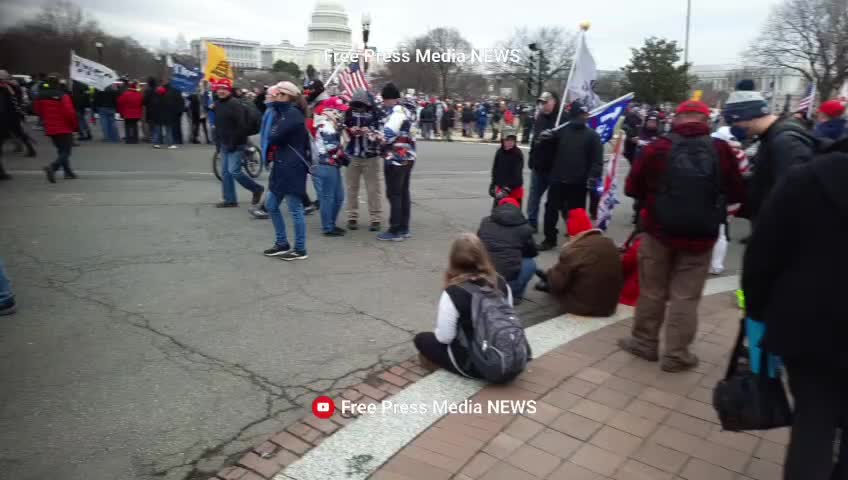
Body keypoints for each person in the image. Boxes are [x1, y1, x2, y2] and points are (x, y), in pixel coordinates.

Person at [741, 135, 848, 480]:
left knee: (813, 422)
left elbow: (763, 255)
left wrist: (756, 312)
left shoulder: (805, 180)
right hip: (811, 325)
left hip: (810, 325)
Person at [618, 100, 745, 372]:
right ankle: (676, 354)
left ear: (677, 119)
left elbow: (631, 187)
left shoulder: (658, 147)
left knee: (652, 290)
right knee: (686, 296)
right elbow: (737, 191)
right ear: (705, 120)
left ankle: (645, 342)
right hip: (701, 236)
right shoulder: (721, 150)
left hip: (658, 232)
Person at [413, 233, 515, 377]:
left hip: (476, 364)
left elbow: (445, 338)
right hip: (508, 356)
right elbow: (509, 316)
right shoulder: (501, 283)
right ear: (483, 256)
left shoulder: (454, 292)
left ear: (453, 260)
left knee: (421, 339)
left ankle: (444, 367)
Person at [723, 79, 816, 222]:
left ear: (747, 116)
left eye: (732, 121)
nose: (731, 127)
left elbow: (796, 194)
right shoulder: (772, 136)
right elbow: (767, 178)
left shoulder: (786, 141)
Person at [536, 101, 603, 251]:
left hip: (578, 182)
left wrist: (593, 176)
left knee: (577, 213)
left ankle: (578, 241)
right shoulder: (561, 131)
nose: (583, 117)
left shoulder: (592, 136)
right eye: (580, 114)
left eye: (584, 115)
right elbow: (548, 151)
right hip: (558, 178)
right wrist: (543, 140)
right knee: (551, 210)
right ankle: (549, 239)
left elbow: (597, 160)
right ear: (573, 115)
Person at [535, 208, 623, 316]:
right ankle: (549, 274)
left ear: (572, 235)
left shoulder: (574, 251)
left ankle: (549, 276)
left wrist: (551, 280)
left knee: (556, 284)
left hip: (585, 308)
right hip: (609, 306)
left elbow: (557, 284)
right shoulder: (609, 243)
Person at [260, 81, 310, 261]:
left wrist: (274, 130)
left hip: (292, 167)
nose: (275, 97)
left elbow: (273, 136)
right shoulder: (282, 113)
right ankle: (282, 243)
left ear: (287, 96)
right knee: (272, 205)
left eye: (279, 94)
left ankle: (300, 248)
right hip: (281, 165)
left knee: (295, 209)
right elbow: (272, 134)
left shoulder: (292, 114)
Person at [212, 78, 265, 208]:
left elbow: (241, 126)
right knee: (225, 173)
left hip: (237, 143)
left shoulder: (235, 104)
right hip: (224, 143)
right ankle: (230, 200)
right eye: (219, 89)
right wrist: (218, 142)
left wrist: (234, 143)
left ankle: (256, 189)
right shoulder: (217, 104)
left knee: (234, 171)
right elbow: (218, 126)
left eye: (224, 89)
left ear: (229, 90)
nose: (222, 91)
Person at [376, 82, 417, 242]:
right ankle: (404, 227)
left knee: (394, 194)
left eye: (385, 100)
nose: (384, 104)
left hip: (396, 158)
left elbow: (387, 135)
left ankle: (395, 229)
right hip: (409, 156)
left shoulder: (396, 114)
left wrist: (374, 136)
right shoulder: (409, 111)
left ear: (390, 99)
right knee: (404, 192)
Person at [478, 198, 537, 303]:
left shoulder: (485, 222)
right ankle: (515, 295)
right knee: (530, 263)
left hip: (483, 279)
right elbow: (532, 252)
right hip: (507, 283)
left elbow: (478, 246)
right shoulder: (525, 228)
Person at [344, 89, 384, 232]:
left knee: (373, 189)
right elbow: (343, 127)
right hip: (352, 154)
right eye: (355, 104)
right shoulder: (348, 112)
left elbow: (381, 131)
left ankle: (376, 218)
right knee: (351, 188)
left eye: (360, 104)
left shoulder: (375, 112)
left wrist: (369, 131)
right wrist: (350, 129)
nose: (358, 107)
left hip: (370, 155)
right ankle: (352, 217)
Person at [312, 96, 349, 237]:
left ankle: (331, 224)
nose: (341, 113)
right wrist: (346, 158)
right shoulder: (325, 125)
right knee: (328, 197)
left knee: (339, 197)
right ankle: (328, 227)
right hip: (326, 164)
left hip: (333, 164)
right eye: (338, 110)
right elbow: (332, 147)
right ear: (330, 110)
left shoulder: (332, 124)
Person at [35, 76, 79, 183]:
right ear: (58, 84)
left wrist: (45, 119)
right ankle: (53, 167)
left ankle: (68, 172)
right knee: (66, 151)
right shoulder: (63, 95)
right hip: (64, 126)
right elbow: (69, 112)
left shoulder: (40, 96)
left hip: (50, 126)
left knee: (61, 150)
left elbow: (37, 110)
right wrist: (75, 126)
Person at [526, 92, 559, 233]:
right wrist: (531, 157)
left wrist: (555, 137)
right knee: (533, 198)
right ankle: (531, 223)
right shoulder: (539, 118)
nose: (543, 105)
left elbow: (567, 142)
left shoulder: (562, 118)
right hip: (539, 166)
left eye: (546, 102)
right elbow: (535, 140)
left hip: (555, 167)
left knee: (555, 202)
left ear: (554, 102)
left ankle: (567, 224)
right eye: (541, 102)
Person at [489, 128, 524, 207]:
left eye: (512, 140)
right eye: (507, 140)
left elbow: (517, 174)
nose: (510, 142)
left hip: (514, 190)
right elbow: (495, 169)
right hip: (501, 189)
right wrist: (493, 184)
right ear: (503, 140)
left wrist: (508, 189)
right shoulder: (499, 152)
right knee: (497, 214)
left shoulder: (517, 154)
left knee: (513, 216)